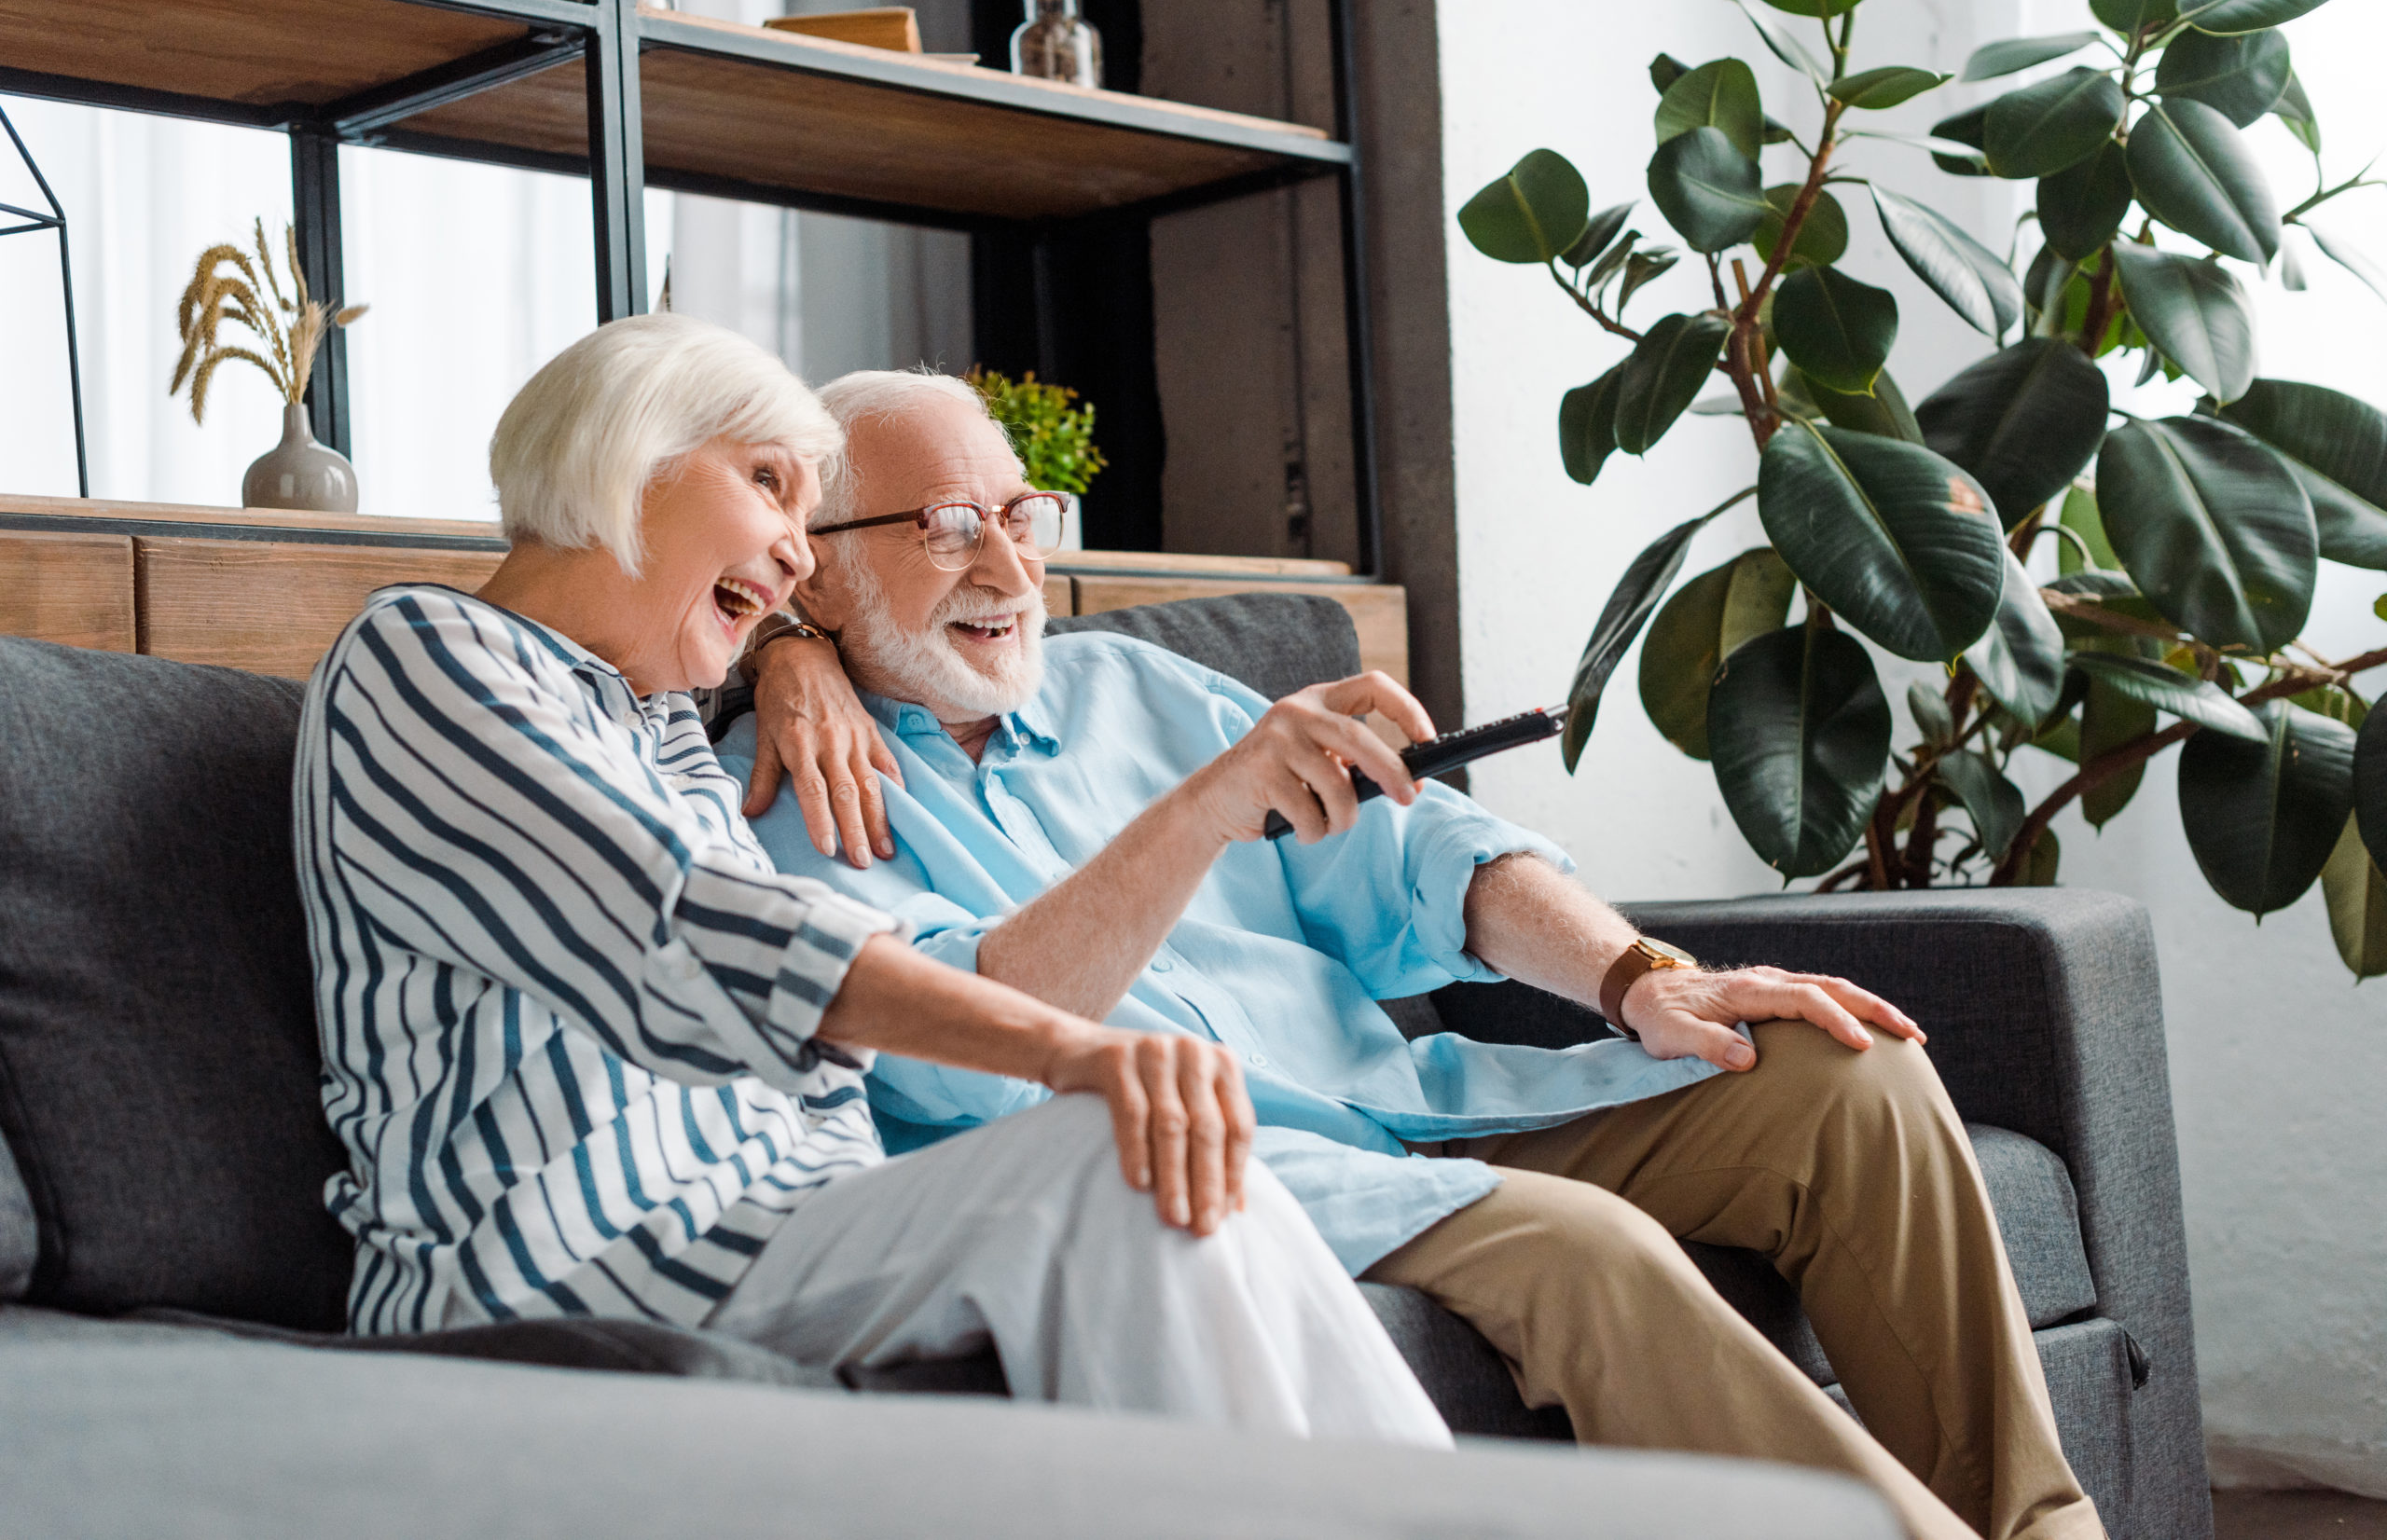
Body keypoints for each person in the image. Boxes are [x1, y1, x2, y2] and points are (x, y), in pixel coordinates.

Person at [723, 369, 2107, 1540]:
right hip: (1231, 1180)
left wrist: (1639, 979)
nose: (1011, 568)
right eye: (951, 524)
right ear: (818, 567)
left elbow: (1425, 850)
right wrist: (1204, 806)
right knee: (1591, 1252)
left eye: (1021, 515)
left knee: (1842, 1070)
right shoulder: (775, 794)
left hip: (1421, 1107)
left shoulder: (1124, 686)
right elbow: (963, 1056)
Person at [289, 316, 1450, 1448]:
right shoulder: (426, 657)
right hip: (567, 1262)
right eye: (767, 484)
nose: (796, 550)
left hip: (785, 1228)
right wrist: (1069, 1049)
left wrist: (791, 650)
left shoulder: (666, 727)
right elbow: (698, 934)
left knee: (1185, 1157)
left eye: (808, 514)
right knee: (1106, 1143)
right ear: (630, 460)